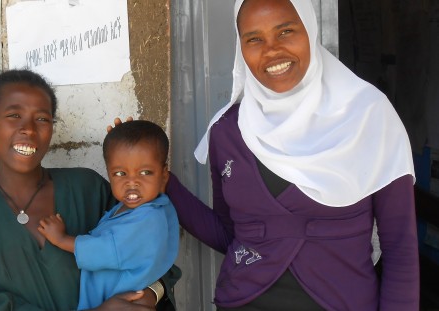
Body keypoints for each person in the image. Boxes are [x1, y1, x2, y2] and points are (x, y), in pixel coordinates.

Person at [160, 0, 419, 310]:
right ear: (240, 46)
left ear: (309, 30)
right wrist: (164, 182)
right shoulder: (228, 131)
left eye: (285, 31)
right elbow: (230, 235)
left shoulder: (368, 118)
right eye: (254, 38)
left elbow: (400, 248)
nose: (271, 50)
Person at [0, 69, 179, 311]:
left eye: (42, 119)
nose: (30, 129)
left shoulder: (88, 189)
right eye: (14, 115)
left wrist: (150, 293)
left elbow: (155, 251)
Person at [38, 120, 179, 310]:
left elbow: (106, 249)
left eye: (145, 172)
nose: (132, 183)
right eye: (120, 173)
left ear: (163, 176)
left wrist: (61, 239)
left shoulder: (149, 220)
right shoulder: (142, 207)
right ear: (109, 174)